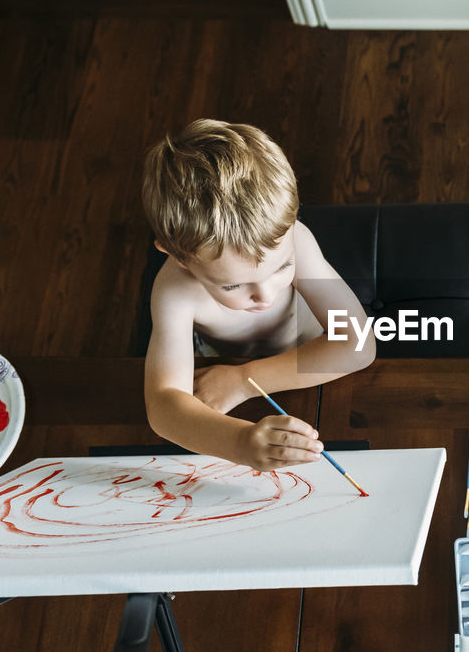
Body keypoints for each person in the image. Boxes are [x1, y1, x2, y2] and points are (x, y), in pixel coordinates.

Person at [142, 119, 375, 469]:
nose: (265, 295)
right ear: (179, 258)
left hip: (310, 360)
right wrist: (238, 442)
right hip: (219, 368)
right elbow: (163, 406)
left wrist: (243, 381)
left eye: (282, 268)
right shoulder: (174, 291)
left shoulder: (297, 238)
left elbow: (357, 345)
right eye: (233, 285)